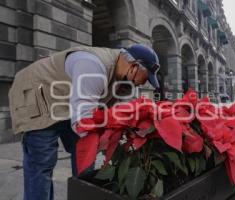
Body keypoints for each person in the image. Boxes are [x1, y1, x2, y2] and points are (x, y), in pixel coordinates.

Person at [8, 44, 160, 200]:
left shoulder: (125, 79)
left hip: (71, 102)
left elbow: (118, 112)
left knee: (85, 158)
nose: (144, 84)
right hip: (40, 94)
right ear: (134, 66)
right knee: (41, 163)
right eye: (146, 77)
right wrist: (108, 142)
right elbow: (84, 123)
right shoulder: (92, 66)